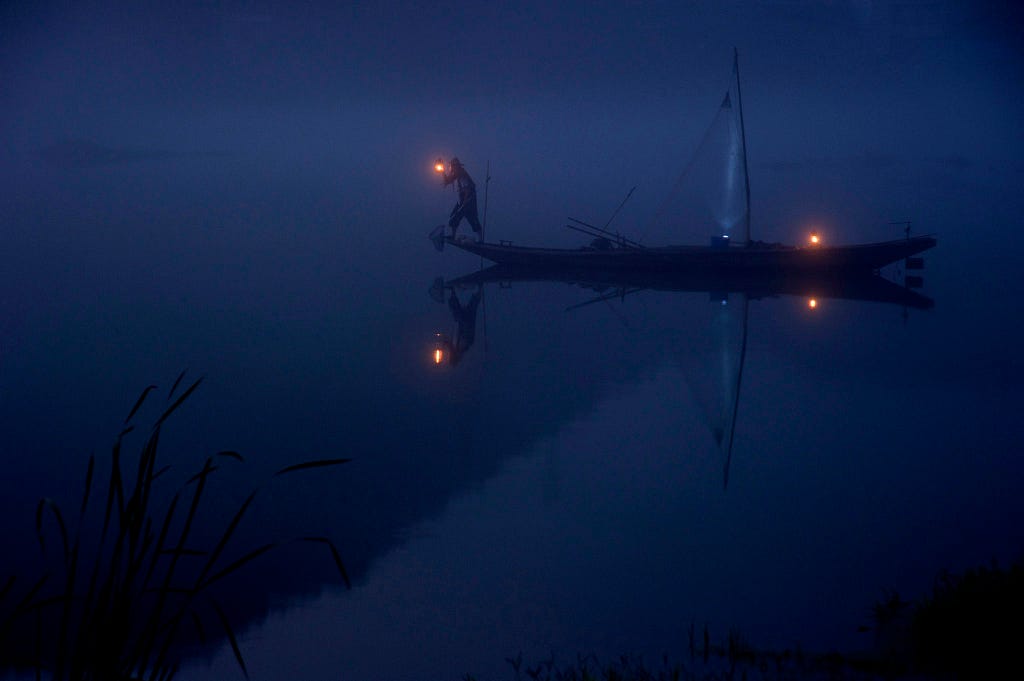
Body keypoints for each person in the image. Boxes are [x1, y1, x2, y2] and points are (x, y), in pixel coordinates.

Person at [443, 157, 482, 240]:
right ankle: (453, 235)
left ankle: (480, 238)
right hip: (462, 200)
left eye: (453, 166)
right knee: (455, 217)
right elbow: (447, 181)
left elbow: (467, 189)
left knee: (471, 218)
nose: (452, 168)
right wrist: (442, 171)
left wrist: (464, 202)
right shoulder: (457, 174)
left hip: (468, 200)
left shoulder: (462, 174)